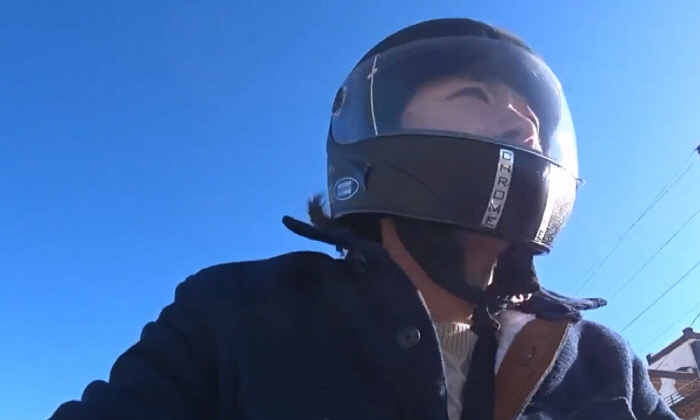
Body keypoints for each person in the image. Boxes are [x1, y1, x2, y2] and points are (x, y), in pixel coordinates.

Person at [48, 18, 678, 420]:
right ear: (378, 135)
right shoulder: (237, 314)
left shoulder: (603, 362)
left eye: (534, 117)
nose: (524, 125)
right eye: (476, 95)